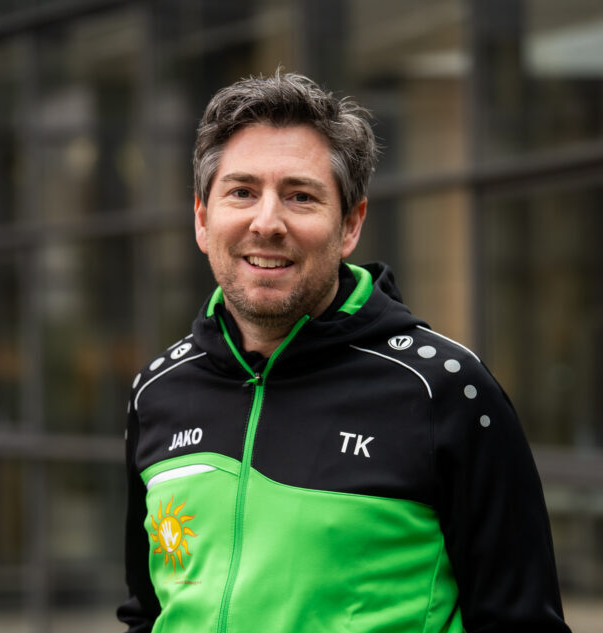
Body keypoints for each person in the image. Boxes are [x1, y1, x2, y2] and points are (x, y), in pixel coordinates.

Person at [117, 71, 571, 633]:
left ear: (350, 225)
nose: (267, 222)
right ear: (203, 218)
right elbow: (149, 611)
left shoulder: (446, 390)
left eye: (300, 196)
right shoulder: (157, 391)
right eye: (242, 192)